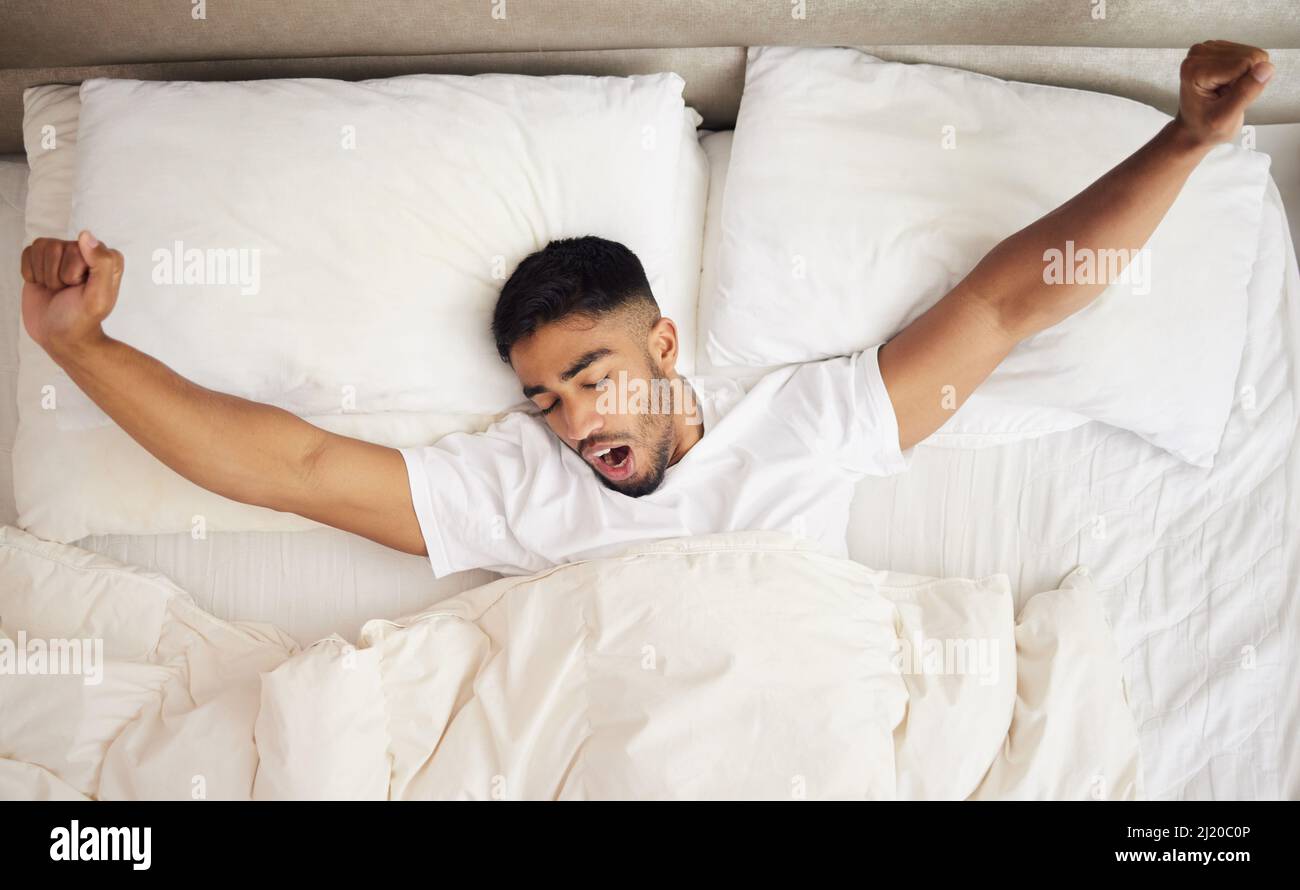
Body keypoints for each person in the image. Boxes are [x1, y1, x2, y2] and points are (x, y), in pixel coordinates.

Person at [19, 41, 1274, 576]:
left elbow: (1005, 306)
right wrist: (82, 346)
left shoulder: (811, 420)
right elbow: (286, 465)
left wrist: (1184, 143)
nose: (573, 422)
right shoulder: (515, 489)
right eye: (546, 397)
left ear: (664, 343)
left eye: (594, 373)